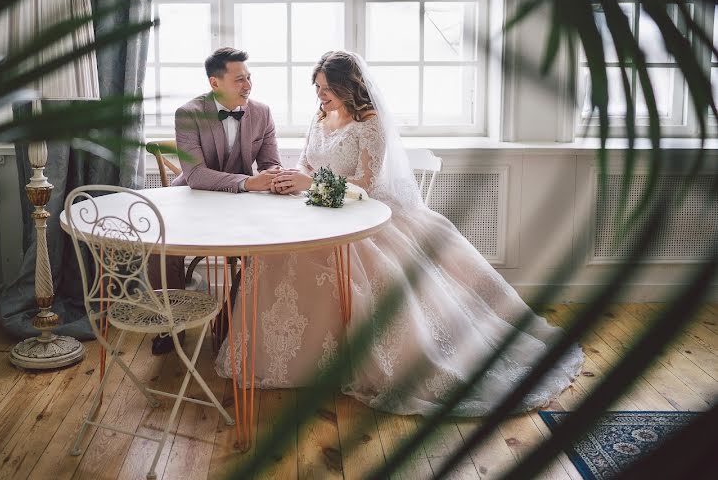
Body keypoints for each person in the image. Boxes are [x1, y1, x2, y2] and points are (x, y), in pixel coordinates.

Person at [215, 51, 583, 416]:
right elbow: (306, 162)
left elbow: (366, 184)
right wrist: (291, 179)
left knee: (365, 274)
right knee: (278, 254)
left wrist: (309, 181)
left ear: (349, 87)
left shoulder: (369, 123)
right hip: (315, 209)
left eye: (327, 88)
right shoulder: (320, 115)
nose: (321, 95)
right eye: (318, 87)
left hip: (363, 214)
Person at [149, 47, 282, 355]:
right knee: (161, 244)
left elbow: (270, 163)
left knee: (268, 244)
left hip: (244, 207)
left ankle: (233, 321)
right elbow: (195, 175)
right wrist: (247, 182)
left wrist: (274, 175)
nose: (248, 85)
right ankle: (170, 323)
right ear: (215, 83)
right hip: (193, 201)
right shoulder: (188, 113)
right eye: (239, 80)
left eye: (249, 77)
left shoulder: (262, 113)